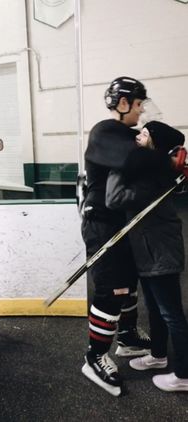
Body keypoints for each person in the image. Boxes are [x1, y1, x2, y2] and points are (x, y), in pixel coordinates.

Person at [81, 76, 152, 396]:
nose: (141, 111)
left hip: (120, 222)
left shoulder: (129, 133)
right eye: (138, 104)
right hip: (101, 224)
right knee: (113, 289)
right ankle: (94, 356)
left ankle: (126, 337)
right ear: (122, 104)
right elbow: (132, 159)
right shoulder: (105, 132)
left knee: (129, 282)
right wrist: (160, 155)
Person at [106, 120, 188, 392]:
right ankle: (158, 355)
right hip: (150, 249)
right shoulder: (152, 168)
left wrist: (118, 164)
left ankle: (184, 375)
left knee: (171, 313)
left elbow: (116, 199)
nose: (138, 136)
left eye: (144, 133)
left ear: (155, 144)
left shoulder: (152, 174)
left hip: (160, 251)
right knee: (154, 308)